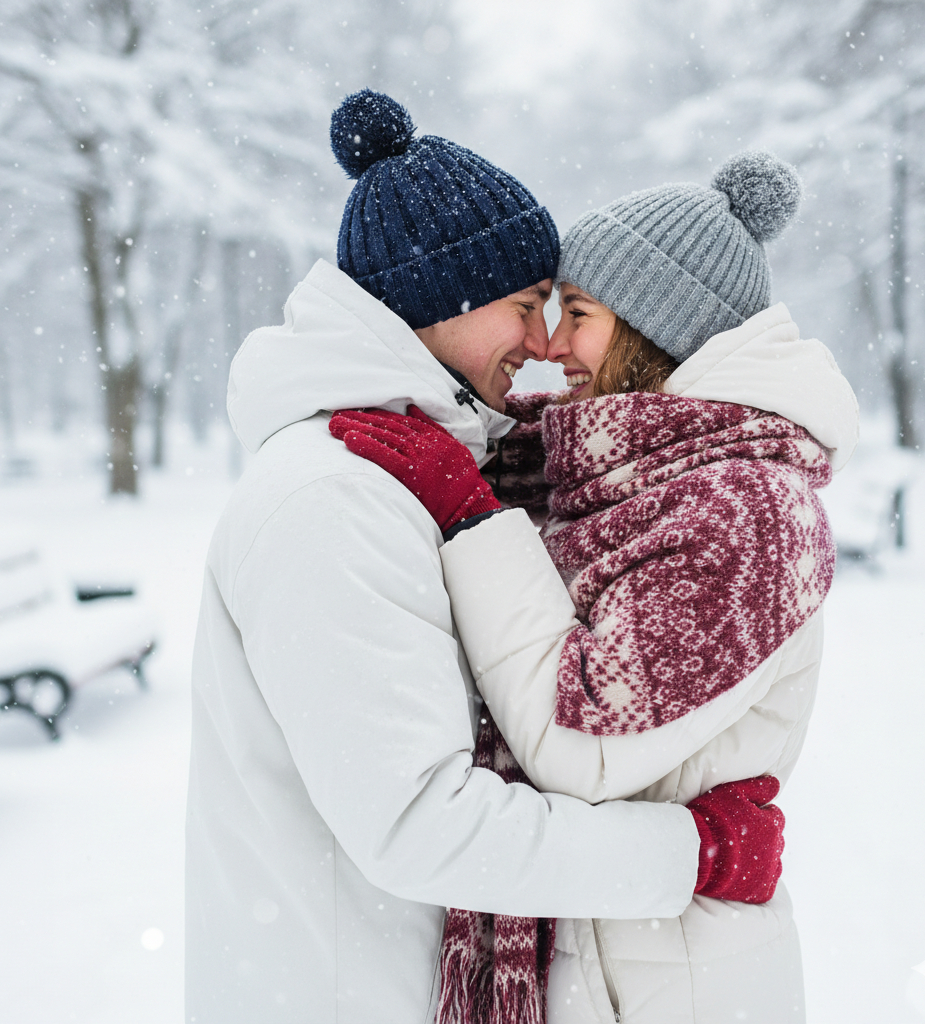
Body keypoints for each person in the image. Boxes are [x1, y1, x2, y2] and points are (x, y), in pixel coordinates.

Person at [186, 92, 785, 1024]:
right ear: (439, 303)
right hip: (348, 993)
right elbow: (419, 820)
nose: (543, 344)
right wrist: (688, 854)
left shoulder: (407, 472)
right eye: (523, 307)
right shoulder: (333, 497)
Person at [332, 152, 859, 1022]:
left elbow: (583, 746)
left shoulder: (747, 512)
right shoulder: (613, 480)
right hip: (603, 947)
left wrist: (472, 520)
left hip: (671, 980)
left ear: (659, 326)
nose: (551, 346)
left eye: (577, 314)